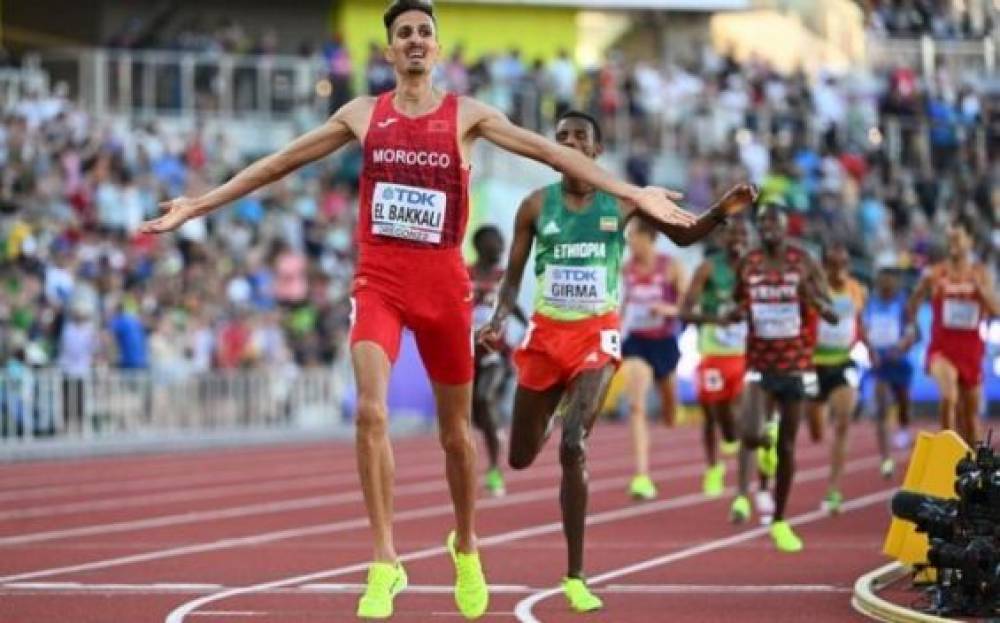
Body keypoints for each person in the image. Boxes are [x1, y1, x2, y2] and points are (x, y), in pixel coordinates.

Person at [141, 2, 698, 619]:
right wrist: (200, 204)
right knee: (371, 413)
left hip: (443, 288)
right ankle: (384, 560)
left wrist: (630, 192)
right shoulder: (361, 114)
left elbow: (554, 154)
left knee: (456, 437)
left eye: (424, 33)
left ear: (436, 51)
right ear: (389, 51)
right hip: (378, 280)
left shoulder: (468, 115)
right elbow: (279, 163)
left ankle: (466, 543)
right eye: (403, 33)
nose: (413, 40)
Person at [478, 110, 757, 612]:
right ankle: (558, 406)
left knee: (572, 446)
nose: (568, 143)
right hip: (544, 338)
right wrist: (498, 319)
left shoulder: (623, 202)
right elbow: (512, 279)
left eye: (578, 137)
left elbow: (685, 235)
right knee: (520, 457)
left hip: (596, 335)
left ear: (596, 151)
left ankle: (576, 575)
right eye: (560, 137)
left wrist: (722, 209)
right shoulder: (534, 206)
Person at [727, 202, 836, 553]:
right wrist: (732, 312)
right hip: (760, 364)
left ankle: (780, 519)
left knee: (788, 445)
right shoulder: (749, 263)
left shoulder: (803, 262)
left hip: (795, 366)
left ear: (787, 228)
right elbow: (736, 303)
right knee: (750, 432)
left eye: (775, 223)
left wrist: (816, 300)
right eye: (764, 224)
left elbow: (830, 308)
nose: (769, 228)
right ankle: (763, 450)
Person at [906, 217, 1000, 445]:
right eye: (949, 240)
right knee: (949, 397)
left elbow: (996, 309)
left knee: (970, 419)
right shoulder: (935, 274)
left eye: (957, 239)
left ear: (970, 241)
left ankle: (974, 468)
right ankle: (946, 455)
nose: (953, 245)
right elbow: (911, 307)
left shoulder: (980, 273)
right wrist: (915, 312)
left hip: (971, 352)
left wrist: (980, 291)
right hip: (942, 349)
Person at [679, 219, 749, 498]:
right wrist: (716, 319)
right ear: (723, 239)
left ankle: (744, 449)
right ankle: (713, 467)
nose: (737, 239)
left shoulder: (754, 268)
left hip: (745, 354)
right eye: (732, 234)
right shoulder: (708, 268)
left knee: (741, 411)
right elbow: (684, 312)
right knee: (712, 414)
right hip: (713, 353)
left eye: (742, 234)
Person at [621, 218, 685, 501]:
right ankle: (641, 476)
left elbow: (688, 303)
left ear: (648, 238)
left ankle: (671, 412)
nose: (629, 242)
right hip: (636, 341)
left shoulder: (671, 267)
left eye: (633, 236)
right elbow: (623, 302)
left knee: (670, 414)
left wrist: (668, 309)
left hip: (664, 342)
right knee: (637, 406)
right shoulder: (625, 269)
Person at [806, 242, 866, 515]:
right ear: (824, 266)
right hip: (813, 365)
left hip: (842, 362)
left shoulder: (856, 289)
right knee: (817, 432)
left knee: (843, 422)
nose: (838, 269)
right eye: (833, 264)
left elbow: (859, 322)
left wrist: (869, 347)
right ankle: (819, 417)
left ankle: (833, 488)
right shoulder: (814, 288)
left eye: (843, 264)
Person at [469, 225, 525, 497]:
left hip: (495, 353)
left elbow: (514, 307)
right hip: (465, 352)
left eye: (502, 244)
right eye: (496, 243)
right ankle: (492, 432)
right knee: (474, 416)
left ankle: (494, 469)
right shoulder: (465, 274)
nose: (500, 248)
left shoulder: (504, 277)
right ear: (480, 246)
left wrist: (528, 329)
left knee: (483, 398)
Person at [861, 266, 916, 477]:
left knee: (903, 403)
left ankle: (903, 428)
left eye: (890, 280)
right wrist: (870, 349)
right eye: (882, 280)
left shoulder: (903, 303)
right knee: (882, 409)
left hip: (899, 360)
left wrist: (900, 347)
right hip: (880, 361)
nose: (886, 284)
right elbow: (864, 328)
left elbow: (911, 331)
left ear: (896, 283)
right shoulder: (871, 302)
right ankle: (885, 458)